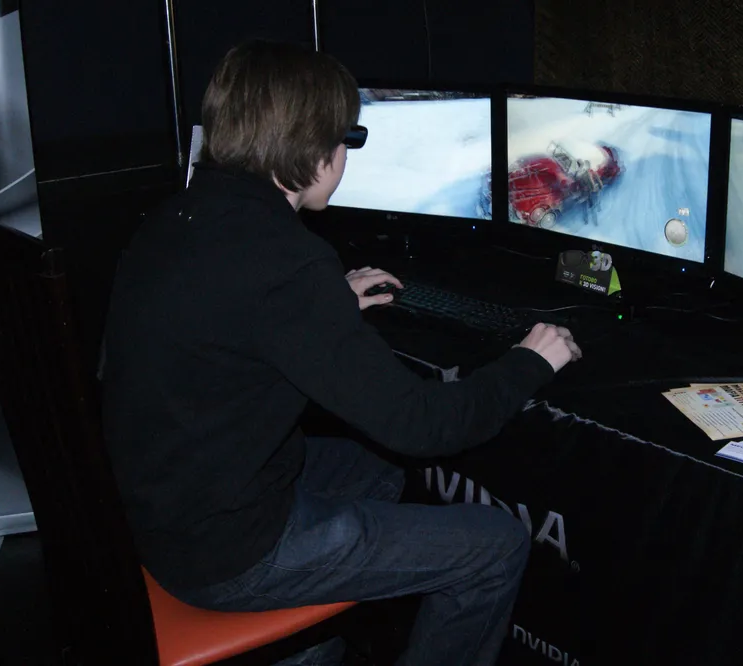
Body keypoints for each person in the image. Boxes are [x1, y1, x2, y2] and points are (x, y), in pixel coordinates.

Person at [100, 40, 581, 666]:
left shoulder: (182, 215)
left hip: (162, 509)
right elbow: (425, 425)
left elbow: (227, 318)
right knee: (495, 546)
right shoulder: (286, 263)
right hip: (225, 553)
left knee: (377, 471)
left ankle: (310, 647)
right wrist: (530, 361)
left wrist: (325, 304)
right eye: (346, 140)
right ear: (313, 150)